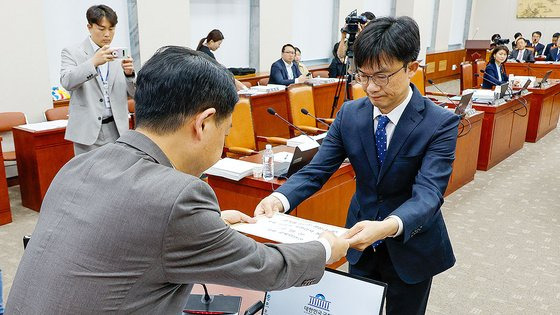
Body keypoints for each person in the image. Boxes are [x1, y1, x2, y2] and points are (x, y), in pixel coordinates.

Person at [5, 46, 349, 314]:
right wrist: (326, 247)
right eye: (226, 131)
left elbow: (127, 231)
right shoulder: (179, 197)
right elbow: (268, 269)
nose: (224, 142)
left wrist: (208, 225)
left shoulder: (81, 165)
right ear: (203, 123)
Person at [255, 16, 460, 315]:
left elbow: (428, 194)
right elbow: (317, 170)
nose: (371, 88)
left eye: (382, 76)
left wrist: (386, 227)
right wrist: (279, 198)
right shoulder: (350, 114)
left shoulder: (439, 123)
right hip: (359, 243)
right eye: (363, 76)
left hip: (411, 245)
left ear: (411, 68)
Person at [61, 5, 136, 155]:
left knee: (119, 174)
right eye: (102, 29)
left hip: (118, 130)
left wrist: (129, 74)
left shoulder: (118, 55)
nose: (107, 34)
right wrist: (93, 63)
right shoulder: (72, 52)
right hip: (88, 132)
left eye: (112, 29)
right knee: (89, 176)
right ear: (89, 27)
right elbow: (67, 82)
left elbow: (135, 94)